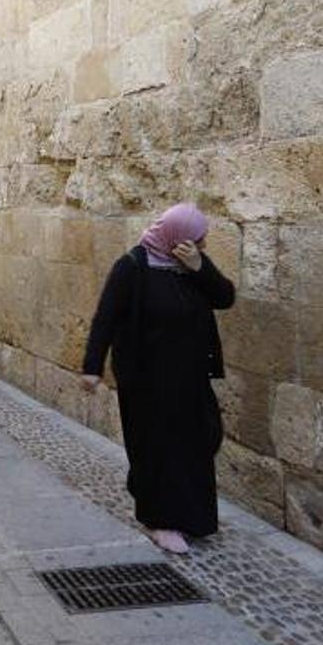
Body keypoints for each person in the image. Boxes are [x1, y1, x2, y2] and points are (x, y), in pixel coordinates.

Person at [80, 203, 236, 554]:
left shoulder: (191, 265)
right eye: (198, 238)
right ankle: (159, 520)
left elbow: (225, 298)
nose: (203, 244)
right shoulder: (132, 267)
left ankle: (193, 519)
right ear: (174, 237)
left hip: (191, 378)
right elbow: (105, 318)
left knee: (201, 441)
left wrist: (200, 268)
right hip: (147, 381)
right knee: (159, 449)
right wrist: (92, 367)